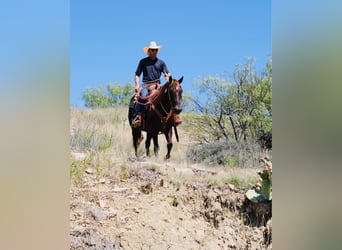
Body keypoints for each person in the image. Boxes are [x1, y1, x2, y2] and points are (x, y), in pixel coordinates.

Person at [131, 41, 182, 127]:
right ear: (149, 51)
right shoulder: (143, 62)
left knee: (170, 95)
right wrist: (137, 85)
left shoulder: (161, 62)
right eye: (153, 50)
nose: (154, 51)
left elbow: (167, 73)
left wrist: (168, 78)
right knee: (142, 98)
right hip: (146, 85)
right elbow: (137, 75)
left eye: (156, 50)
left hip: (158, 86)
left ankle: (175, 116)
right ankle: (136, 117)